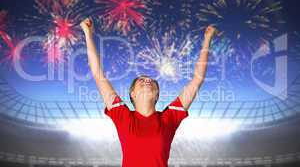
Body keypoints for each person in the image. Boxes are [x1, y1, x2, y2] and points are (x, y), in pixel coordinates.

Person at [80, 18, 217, 167]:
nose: (147, 80)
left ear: (157, 95)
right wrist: (88, 34)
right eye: (141, 80)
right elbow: (98, 74)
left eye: (151, 81)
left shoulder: (168, 118)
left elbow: (197, 80)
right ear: (132, 94)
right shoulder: (123, 116)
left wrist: (207, 39)